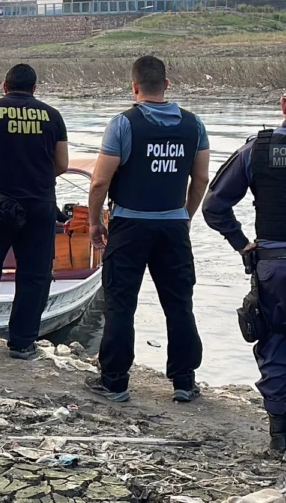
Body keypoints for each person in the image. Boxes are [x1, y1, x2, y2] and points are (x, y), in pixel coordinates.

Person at [203, 75, 286, 464]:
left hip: (270, 268)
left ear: (283, 105)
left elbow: (214, 207)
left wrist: (242, 244)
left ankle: (278, 437)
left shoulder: (255, 149)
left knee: (272, 349)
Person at [86, 55, 211, 403]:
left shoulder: (123, 125)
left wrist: (95, 222)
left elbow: (99, 182)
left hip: (129, 225)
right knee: (179, 303)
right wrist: (184, 215)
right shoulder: (194, 124)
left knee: (121, 304)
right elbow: (200, 178)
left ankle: (115, 382)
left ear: (134, 86)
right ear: (167, 85)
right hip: (172, 226)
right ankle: (184, 381)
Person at [0, 63, 70, 360]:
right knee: (35, 274)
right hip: (40, 204)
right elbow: (61, 164)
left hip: (1, 205)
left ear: (4, 85)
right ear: (35, 89)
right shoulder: (52, 115)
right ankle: (22, 343)